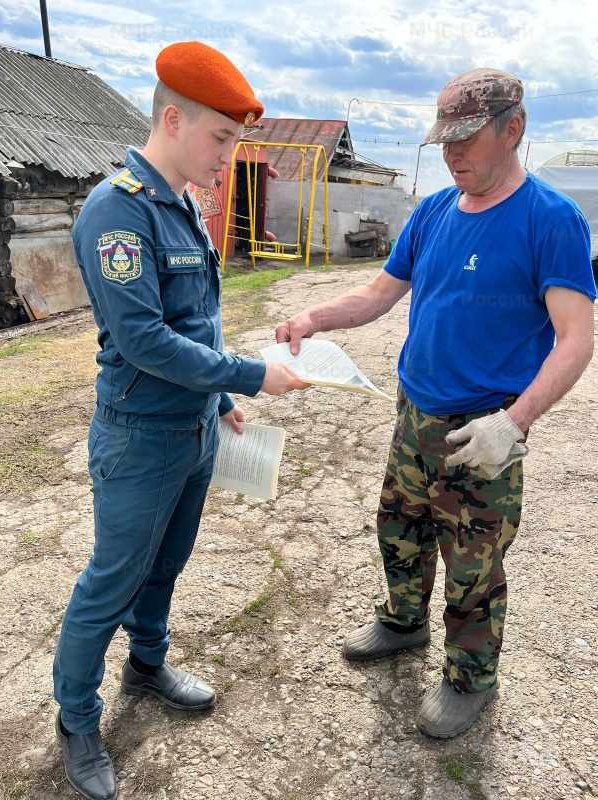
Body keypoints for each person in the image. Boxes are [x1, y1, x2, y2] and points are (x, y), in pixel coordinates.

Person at [276, 68, 595, 739]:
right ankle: (400, 624)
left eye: (466, 138)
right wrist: (313, 317)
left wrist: (515, 423)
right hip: (414, 414)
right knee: (401, 528)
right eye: (443, 140)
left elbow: (576, 339)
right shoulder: (434, 212)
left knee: (472, 564)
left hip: (483, 429)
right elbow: (377, 295)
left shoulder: (551, 220)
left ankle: (470, 679)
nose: (450, 153)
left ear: (513, 130)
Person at [53, 41, 308, 800]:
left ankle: (147, 664)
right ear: (173, 118)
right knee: (111, 579)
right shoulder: (118, 210)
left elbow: (195, 321)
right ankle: (76, 718)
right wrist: (252, 376)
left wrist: (222, 398)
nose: (230, 155)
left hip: (195, 427)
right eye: (222, 138)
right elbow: (143, 339)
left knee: (166, 566)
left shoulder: (186, 206)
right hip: (140, 435)